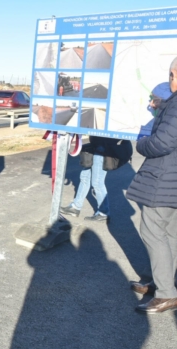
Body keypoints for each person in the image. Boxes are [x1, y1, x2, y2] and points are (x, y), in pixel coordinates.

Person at [126, 64, 177, 314]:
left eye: (172, 75)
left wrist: (143, 143)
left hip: (165, 179)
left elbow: (163, 142)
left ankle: (166, 293)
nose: (171, 81)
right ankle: (164, 284)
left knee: (153, 232)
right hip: (172, 181)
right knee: (170, 234)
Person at [60, 135, 121, 222]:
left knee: (97, 182)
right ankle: (75, 207)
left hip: (103, 149)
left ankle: (103, 213)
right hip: (95, 147)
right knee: (84, 178)